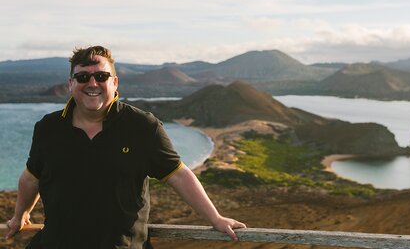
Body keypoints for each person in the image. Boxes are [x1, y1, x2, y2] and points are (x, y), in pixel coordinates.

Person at [5, 45, 246, 248]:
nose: (92, 83)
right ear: (71, 83)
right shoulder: (48, 128)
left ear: (115, 82)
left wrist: (215, 218)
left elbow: (179, 175)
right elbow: (31, 177)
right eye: (82, 77)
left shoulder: (142, 127)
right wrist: (20, 215)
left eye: (101, 76)